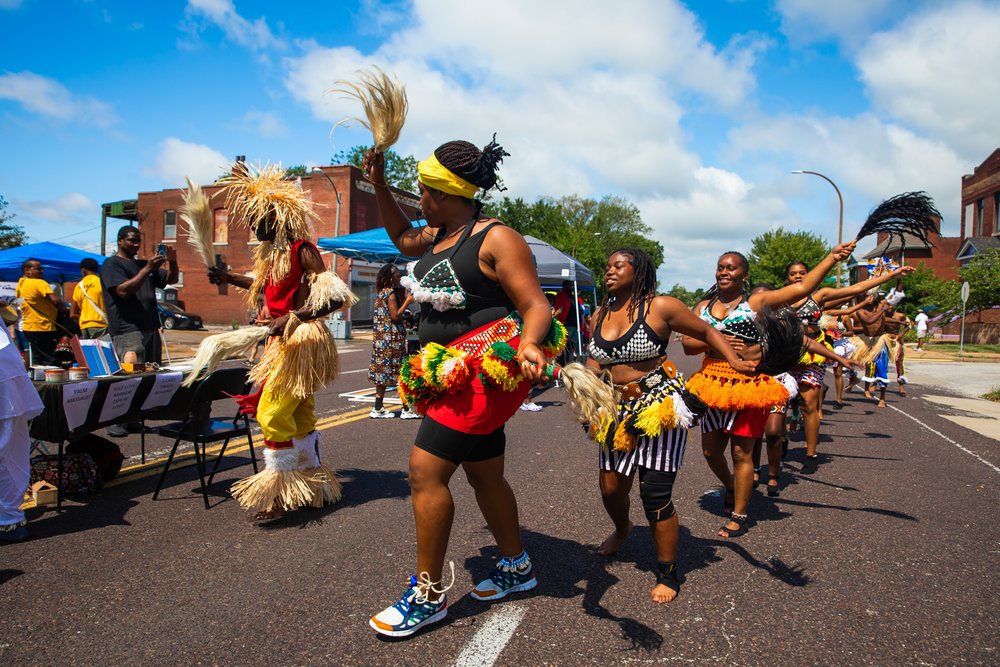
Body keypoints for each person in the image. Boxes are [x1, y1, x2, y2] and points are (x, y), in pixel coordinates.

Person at [365, 137, 560, 637]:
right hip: (449, 373)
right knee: (485, 476)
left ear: (445, 192)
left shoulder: (497, 238)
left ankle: (428, 596)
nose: (419, 200)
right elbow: (401, 236)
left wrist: (530, 344)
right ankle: (516, 566)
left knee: (424, 472)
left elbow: (536, 304)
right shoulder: (436, 236)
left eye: (423, 191)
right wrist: (380, 185)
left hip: (483, 375)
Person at [586, 248, 753, 603]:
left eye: (619, 266)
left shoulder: (661, 306)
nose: (609, 271)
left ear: (638, 272)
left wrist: (735, 360)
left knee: (655, 494)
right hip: (615, 409)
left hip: (660, 406)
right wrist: (582, 386)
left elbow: (706, 330)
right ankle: (623, 528)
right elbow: (595, 361)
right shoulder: (600, 314)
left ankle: (668, 571)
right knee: (611, 488)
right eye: (608, 266)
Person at [206, 162, 354, 522]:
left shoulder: (303, 250)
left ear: (276, 217)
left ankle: (280, 492)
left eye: (257, 219)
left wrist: (292, 318)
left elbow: (335, 298)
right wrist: (227, 277)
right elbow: (264, 287)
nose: (253, 226)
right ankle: (315, 486)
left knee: (271, 412)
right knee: (299, 413)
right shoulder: (271, 254)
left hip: (301, 339)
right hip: (282, 341)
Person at [682, 244, 853, 537]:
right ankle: (730, 485)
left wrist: (831, 258)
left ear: (744, 275)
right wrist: (717, 339)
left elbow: (802, 289)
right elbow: (688, 345)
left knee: (741, 453)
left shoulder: (756, 302)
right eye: (720, 267)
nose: (724, 272)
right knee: (710, 452)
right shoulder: (703, 307)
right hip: (712, 385)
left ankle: (739, 514)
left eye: (731, 268)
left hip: (749, 386)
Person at [782, 261, 913, 473]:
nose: (798, 276)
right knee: (781, 404)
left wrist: (893, 275)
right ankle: (779, 437)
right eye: (793, 273)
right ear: (787, 278)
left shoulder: (819, 297)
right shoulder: (780, 298)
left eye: (802, 273)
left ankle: (811, 454)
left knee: (808, 405)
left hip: (812, 355)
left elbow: (856, 289)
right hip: (784, 355)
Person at [100, 226, 178, 365]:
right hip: (128, 332)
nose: (136, 245)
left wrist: (172, 261)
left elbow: (171, 279)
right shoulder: (111, 264)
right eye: (131, 240)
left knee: (152, 372)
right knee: (134, 373)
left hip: (151, 330)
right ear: (120, 241)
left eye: (138, 241)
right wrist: (148, 268)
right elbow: (123, 291)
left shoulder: (143, 264)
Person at [0, 324, 44, 543]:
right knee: (10, 452)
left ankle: (8, 522)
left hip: (5, 382)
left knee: (6, 452)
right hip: (7, 379)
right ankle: (10, 519)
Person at [368, 263, 417, 419]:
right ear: (390, 277)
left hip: (381, 340)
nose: (399, 277)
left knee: (382, 374)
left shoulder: (381, 293)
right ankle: (406, 409)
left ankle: (378, 408)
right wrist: (408, 301)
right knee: (400, 373)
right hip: (392, 340)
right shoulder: (391, 294)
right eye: (397, 275)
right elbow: (395, 316)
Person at [15, 259, 66, 366]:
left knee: (38, 358)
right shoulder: (39, 283)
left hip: (28, 326)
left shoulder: (20, 284)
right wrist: (65, 311)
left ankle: (38, 375)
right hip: (43, 326)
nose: (41, 271)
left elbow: (20, 302)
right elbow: (55, 300)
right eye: (38, 269)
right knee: (50, 359)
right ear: (27, 270)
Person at [71, 258, 109, 339]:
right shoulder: (102, 282)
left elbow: (72, 314)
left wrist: (86, 319)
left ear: (83, 271)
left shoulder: (78, 286)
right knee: (102, 347)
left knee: (89, 347)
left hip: (84, 327)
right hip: (101, 324)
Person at [554, 280, 585, 363]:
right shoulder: (561, 295)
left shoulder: (574, 297)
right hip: (567, 324)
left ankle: (569, 361)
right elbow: (559, 308)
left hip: (575, 325)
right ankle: (563, 362)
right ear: (564, 287)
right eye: (568, 286)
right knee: (565, 345)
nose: (570, 287)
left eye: (571, 286)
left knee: (572, 345)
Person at [883, 302, 910, 396]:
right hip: (884, 338)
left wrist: (901, 334)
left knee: (899, 361)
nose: (889, 307)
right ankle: (875, 382)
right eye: (887, 305)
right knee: (881, 361)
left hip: (896, 339)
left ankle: (901, 385)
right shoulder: (881, 315)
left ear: (895, 305)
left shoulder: (901, 315)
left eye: (891, 305)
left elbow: (908, 326)